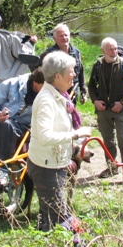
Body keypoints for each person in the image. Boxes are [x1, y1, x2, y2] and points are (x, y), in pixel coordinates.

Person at [27, 51, 92, 231]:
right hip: (46, 167)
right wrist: (75, 135)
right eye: (71, 71)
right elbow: (46, 136)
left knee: (50, 214)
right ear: (57, 76)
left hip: (53, 163)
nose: (74, 74)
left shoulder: (60, 95)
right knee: (57, 217)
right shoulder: (47, 100)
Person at [88, 37, 123, 185]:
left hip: (120, 110)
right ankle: (112, 168)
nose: (114, 52)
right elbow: (91, 87)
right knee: (108, 141)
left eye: (115, 49)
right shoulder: (98, 65)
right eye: (110, 49)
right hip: (103, 110)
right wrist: (95, 101)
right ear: (103, 51)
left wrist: (122, 103)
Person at [40, 24, 87, 104]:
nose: (64, 38)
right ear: (55, 38)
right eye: (61, 36)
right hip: (55, 94)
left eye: (66, 35)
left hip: (72, 93)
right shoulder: (48, 54)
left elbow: (81, 72)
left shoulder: (76, 52)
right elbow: (37, 71)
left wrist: (83, 91)